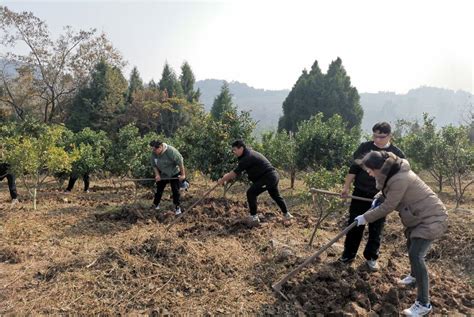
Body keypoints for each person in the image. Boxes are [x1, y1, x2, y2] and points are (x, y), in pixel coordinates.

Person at [354, 151, 447, 316]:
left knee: (416, 255)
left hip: (431, 217)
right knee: (411, 244)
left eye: (369, 169)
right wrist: (378, 198)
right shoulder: (392, 172)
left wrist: (365, 218)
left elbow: (389, 206)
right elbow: (385, 192)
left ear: (378, 167)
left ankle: (424, 304)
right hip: (418, 216)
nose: (368, 172)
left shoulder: (400, 178)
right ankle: (413, 276)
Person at [339, 122, 405, 270]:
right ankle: (348, 255)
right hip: (360, 193)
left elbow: (400, 178)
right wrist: (346, 187)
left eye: (381, 137)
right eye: (375, 136)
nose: (377, 139)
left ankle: (371, 258)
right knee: (355, 224)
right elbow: (354, 168)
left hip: (381, 196)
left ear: (389, 136)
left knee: (376, 228)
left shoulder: (396, 154)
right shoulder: (365, 148)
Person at [218, 140, 293, 223]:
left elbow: (235, 173)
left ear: (241, 148)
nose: (233, 152)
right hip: (272, 176)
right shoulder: (247, 154)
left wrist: (222, 180)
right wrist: (226, 177)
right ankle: (287, 215)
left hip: (268, 177)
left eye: (235, 150)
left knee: (251, 192)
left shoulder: (247, 157)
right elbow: (236, 173)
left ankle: (254, 217)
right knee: (275, 195)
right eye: (233, 150)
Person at [150, 140, 186, 215]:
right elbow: (154, 165)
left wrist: (183, 175)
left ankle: (177, 208)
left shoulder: (171, 151)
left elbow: (180, 162)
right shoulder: (154, 153)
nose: (153, 151)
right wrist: (157, 175)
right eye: (152, 149)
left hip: (174, 173)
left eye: (154, 149)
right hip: (163, 174)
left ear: (160, 147)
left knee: (175, 191)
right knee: (159, 189)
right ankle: (156, 205)